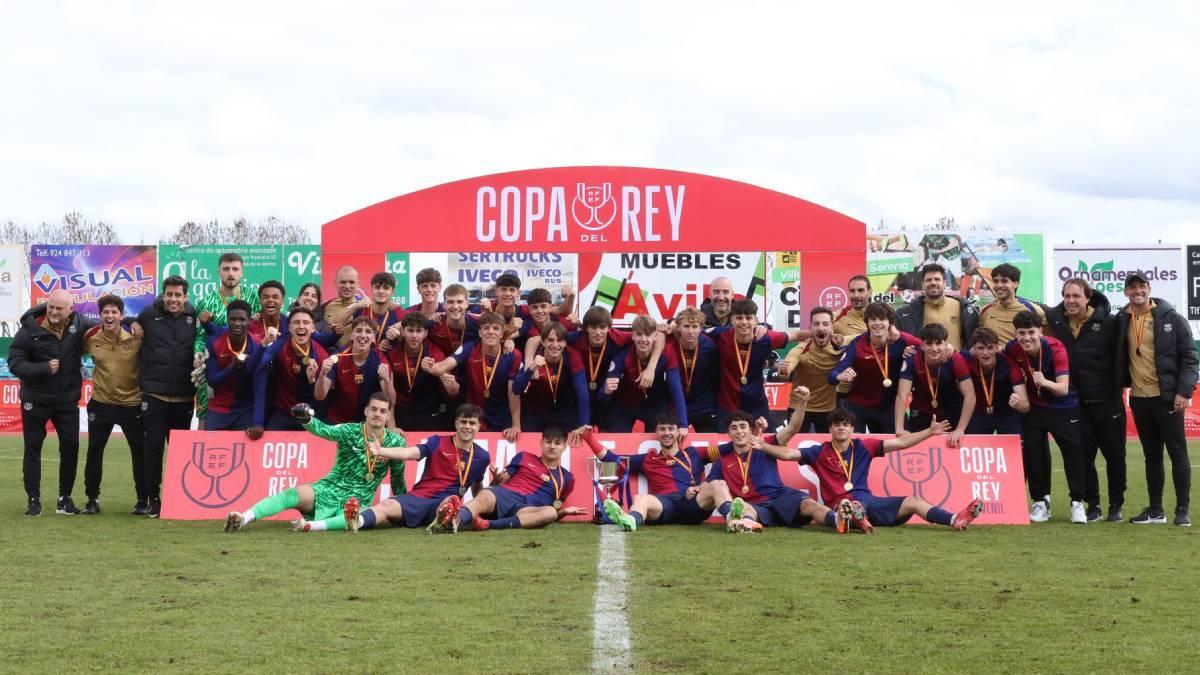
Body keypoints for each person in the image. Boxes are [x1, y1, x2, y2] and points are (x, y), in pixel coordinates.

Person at [763, 407, 984, 531]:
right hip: (841, 503)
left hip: (869, 501)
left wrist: (929, 432)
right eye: (837, 425)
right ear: (830, 429)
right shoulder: (819, 451)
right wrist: (763, 445)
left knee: (913, 501)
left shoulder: (864, 446)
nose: (841, 428)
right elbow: (788, 454)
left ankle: (955, 519)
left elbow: (901, 443)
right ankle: (855, 518)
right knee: (850, 505)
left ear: (852, 429)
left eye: (845, 425)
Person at [224, 393, 406, 533]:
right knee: (292, 494)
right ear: (366, 411)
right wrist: (307, 419)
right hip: (329, 488)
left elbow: (397, 479)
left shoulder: (397, 443)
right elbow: (324, 430)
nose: (377, 414)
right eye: (374, 409)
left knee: (356, 516)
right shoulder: (349, 430)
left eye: (382, 411)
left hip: (358, 499)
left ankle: (311, 526)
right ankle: (243, 517)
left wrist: (405, 507)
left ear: (388, 415)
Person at [1114, 272, 1197, 526]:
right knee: (1151, 455)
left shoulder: (1171, 318)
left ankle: (1182, 510)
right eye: (1132, 287)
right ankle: (1156, 510)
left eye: (1142, 286)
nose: (1137, 291)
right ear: (1126, 292)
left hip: (1168, 398)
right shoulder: (1122, 319)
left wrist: (1183, 392)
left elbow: (1190, 357)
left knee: (1177, 453)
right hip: (1140, 398)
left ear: (1149, 289)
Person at [335, 404, 491, 533]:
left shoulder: (482, 457)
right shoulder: (437, 442)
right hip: (420, 497)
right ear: (456, 423)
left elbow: (478, 484)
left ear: (478, 426)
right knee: (387, 505)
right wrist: (381, 450)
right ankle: (357, 521)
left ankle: (443, 521)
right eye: (463, 422)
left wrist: (481, 510)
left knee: (451, 502)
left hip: (444, 503)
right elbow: (408, 453)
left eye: (472, 423)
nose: (467, 426)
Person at [1046, 278, 1126, 522]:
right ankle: (1094, 504)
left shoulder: (1110, 322)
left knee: (1114, 456)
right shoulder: (1055, 321)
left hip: (1107, 401)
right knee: (1083, 457)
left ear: (1088, 298)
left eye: (1076, 296)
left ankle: (1116, 505)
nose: (1070, 301)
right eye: (1066, 296)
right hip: (1076, 404)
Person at [695, 410, 848, 533]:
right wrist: (694, 488)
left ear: (751, 430)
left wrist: (802, 403)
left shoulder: (765, 444)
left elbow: (793, 428)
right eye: (734, 428)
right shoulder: (722, 461)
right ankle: (744, 525)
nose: (739, 431)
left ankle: (838, 520)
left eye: (743, 426)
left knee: (809, 504)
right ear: (728, 433)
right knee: (745, 509)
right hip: (755, 506)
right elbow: (710, 485)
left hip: (780, 497)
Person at [9, 289, 91, 516]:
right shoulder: (29, 329)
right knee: (33, 449)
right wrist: (43, 369)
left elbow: (106, 323)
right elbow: (15, 362)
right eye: (51, 307)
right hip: (35, 400)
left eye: (59, 308)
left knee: (71, 447)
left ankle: (64, 499)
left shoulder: (80, 324)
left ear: (70, 310)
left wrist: (134, 323)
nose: (54, 312)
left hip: (67, 401)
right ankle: (33, 500)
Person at [1005, 310, 1087, 524]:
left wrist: (1044, 382)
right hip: (1035, 408)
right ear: (1015, 334)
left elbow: (1062, 388)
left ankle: (1077, 503)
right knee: (1035, 455)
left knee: (1073, 454)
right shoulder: (1012, 349)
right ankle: (1041, 501)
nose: (1026, 338)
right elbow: (1016, 378)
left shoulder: (1055, 348)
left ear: (1040, 331)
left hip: (1064, 407)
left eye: (1031, 332)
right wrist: (1020, 402)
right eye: (1021, 333)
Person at [442, 426, 585, 531]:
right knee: (485, 495)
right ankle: (454, 521)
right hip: (506, 495)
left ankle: (487, 525)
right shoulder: (524, 457)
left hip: (528, 509)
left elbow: (556, 508)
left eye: (557, 443)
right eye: (548, 442)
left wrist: (563, 512)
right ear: (541, 442)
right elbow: (500, 483)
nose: (552, 447)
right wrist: (496, 480)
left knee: (550, 512)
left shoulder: (567, 478)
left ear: (564, 446)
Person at [138, 275, 199, 518]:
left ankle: (178, 498)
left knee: (179, 453)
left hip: (184, 397)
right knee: (152, 450)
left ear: (185, 297)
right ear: (163, 295)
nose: (173, 299)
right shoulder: (148, 314)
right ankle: (153, 499)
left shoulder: (195, 317)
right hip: (154, 395)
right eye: (169, 294)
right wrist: (133, 323)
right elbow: (128, 321)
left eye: (177, 295)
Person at [587, 415, 714, 531]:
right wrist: (588, 438)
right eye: (662, 429)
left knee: (718, 485)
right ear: (656, 432)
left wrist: (706, 482)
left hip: (692, 505)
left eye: (671, 429)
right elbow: (611, 459)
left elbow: (724, 453)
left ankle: (728, 519)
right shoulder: (648, 459)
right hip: (664, 506)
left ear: (678, 432)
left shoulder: (694, 453)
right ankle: (630, 521)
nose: (667, 433)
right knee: (641, 498)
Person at [80, 294, 145, 515]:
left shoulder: (136, 335)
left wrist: (135, 322)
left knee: (139, 452)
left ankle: (142, 500)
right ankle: (92, 500)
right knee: (94, 451)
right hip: (101, 403)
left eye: (114, 312)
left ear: (121, 315)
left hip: (132, 403)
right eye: (105, 312)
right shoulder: (90, 336)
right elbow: (71, 350)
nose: (110, 316)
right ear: (100, 315)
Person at [426, 312, 523, 438]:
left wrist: (516, 425)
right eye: (486, 328)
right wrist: (429, 366)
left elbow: (513, 393)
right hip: (473, 417)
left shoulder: (514, 355)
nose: (491, 332)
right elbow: (443, 366)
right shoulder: (469, 348)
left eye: (496, 328)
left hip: (502, 417)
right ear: (480, 332)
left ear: (501, 333)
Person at [828, 302, 921, 433]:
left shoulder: (902, 340)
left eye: (882, 319)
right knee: (853, 444)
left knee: (902, 441)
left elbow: (927, 349)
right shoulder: (858, 344)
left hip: (890, 407)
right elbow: (831, 377)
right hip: (858, 407)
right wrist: (839, 376)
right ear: (867, 322)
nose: (877, 323)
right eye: (873, 319)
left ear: (890, 322)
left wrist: (914, 352)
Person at [709, 298, 801, 428]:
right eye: (739, 318)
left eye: (748, 318)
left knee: (768, 440)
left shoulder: (765, 338)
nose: (744, 322)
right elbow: (695, 331)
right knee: (727, 440)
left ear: (755, 320)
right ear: (732, 320)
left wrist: (823, 333)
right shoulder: (721, 335)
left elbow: (797, 335)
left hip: (757, 406)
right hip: (727, 406)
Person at [193, 253, 261, 426]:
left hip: (248, 362)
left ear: (242, 272)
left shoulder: (254, 297)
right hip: (215, 364)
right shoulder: (206, 302)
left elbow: (270, 320)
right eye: (226, 269)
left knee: (252, 406)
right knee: (205, 410)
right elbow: (200, 337)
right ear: (218, 271)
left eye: (235, 269)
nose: (231, 273)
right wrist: (198, 355)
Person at [601, 315, 688, 432]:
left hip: (655, 405)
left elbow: (676, 388)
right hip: (625, 405)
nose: (643, 339)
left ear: (655, 336)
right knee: (616, 436)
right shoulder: (622, 357)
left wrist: (683, 424)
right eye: (639, 334)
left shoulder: (667, 352)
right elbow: (602, 396)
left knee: (661, 438)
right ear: (632, 336)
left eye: (647, 335)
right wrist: (606, 391)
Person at [894, 323, 975, 444]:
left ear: (945, 344)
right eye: (929, 343)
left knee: (951, 449)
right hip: (921, 413)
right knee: (919, 448)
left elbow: (970, 395)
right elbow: (902, 394)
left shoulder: (955, 359)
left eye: (938, 343)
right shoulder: (912, 358)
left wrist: (960, 429)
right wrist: (899, 428)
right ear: (922, 345)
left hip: (950, 414)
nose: (934, 348)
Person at [255, 307, 329, 431]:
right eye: (296, 322)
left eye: (306, 322)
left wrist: (313, 380)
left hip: (311, 413)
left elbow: (320, 397)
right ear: (289, 328)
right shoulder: (281, 345)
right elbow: (258, 364)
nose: (301, 326)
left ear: (313, 328)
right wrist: (264, 343)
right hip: (284, 412)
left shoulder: (321, 355)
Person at [515, 322, 589, 441]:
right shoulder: (534, 357)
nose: (555, 345)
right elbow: (516, 389)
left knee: (576, 439)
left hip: (563, 411)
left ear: (565, 343)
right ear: (543, 342)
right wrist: (531, 369)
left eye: (559, 340)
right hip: (535, 411)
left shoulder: (572, 355)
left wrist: (583, 425)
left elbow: (582, 390)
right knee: (528, 443)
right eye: (550, 340)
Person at [202, 300, 264, 436]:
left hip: (245, 409)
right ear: (227, 319)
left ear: (249, 321)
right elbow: (212, 380)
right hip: (218, 407)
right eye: (233, 319)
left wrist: (258, 423)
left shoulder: (257, 345)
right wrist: (232, 367)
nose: (237, 323)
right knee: (209, 445)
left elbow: (260, 386)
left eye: (242, 319)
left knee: (248, 448)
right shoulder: (214, 342)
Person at [315, 316, 393, 423]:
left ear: (374, 338)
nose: (363, 335)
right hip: (338, 421)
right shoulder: (337, 357)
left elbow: (391, 401)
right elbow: (319, 396)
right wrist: (322, 374)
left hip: (367, 422)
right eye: (359, 330)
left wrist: (387, 381)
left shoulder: (380, 359)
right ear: (351, 335)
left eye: (368, 331)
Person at [387, 313, 456, 431]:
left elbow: (452, 392)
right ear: (402, 331)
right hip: (399, 409)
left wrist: (442, 376)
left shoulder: (434, 353)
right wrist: (391, 426)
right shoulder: (391, 352)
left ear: (425, 333)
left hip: (427, 409)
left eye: (419, 331)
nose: (414, 336)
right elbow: (387, 393)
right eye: (410, 330)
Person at [778, 306, 841, 432]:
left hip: (828, 409)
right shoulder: (801, 349)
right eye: (816, 324)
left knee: (829, 445)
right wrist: (784, 371)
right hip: (799, 406)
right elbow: (784, 374)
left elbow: (862, 336)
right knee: (795, 443)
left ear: (832, 328)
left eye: (825, 324)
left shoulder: (840, 346)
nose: (821, 328)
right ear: (810, 329)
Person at [895, 264, 978, 351]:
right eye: (929, 280)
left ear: (945, 283)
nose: (933, 283)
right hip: (925, 360)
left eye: (937, 279)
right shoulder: (910, 313)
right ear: (923, 284)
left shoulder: (962, 308)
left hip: (957, 359)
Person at [669, 307, 721, 432]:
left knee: (709, 440)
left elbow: (717, 377)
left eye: (695, 326)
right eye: (686, 326)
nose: (691, 331)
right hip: (675, 404)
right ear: (678, 327)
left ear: (701, 328)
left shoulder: (710, 346)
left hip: (703, 405)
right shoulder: (670, 344)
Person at [961, 328, 1019, 435]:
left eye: (990, 347)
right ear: (973, 349)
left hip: (1007, 412)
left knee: (1015, 443)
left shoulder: (1008, 361)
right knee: (971, 443)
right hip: (978, 413)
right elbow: (950, 353)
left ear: (997, 348)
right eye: (980, 348)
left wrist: (1018, 400)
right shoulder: (965, 359)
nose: (985, 353)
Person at [979, 263, 1045, 345]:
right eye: (996, 281)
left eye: (1004, 281)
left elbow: (1045, 340)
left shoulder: (1033, 309)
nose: (999, 285)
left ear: (1016, 284)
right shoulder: (985, 311)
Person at [347, 271, 407, 348]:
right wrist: (354, 306)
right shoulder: (361, 309)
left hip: (384, 354)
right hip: (361, 353)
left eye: (386, 288)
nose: (381, 291)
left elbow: (419, 320)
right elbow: (335, 322)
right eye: (377, 287)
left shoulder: (397, 312)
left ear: (392, 292)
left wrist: (399, 325)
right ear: (372, 289)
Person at [324, 265, 361, 347]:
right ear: (335, 283)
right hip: (333, 354)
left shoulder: (366, 307)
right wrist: (354, 307)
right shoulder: (326, 306)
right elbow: (327, 329)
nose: (347, 286)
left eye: (351, 282)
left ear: (358, 284)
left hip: (358, 354)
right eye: (343, 282)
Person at [248, 280, 286, 345]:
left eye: (275, 297)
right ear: (260, 300)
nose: (270, 300)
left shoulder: (289, 324)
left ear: (282, 301)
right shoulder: (251, 324)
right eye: (266, 297)